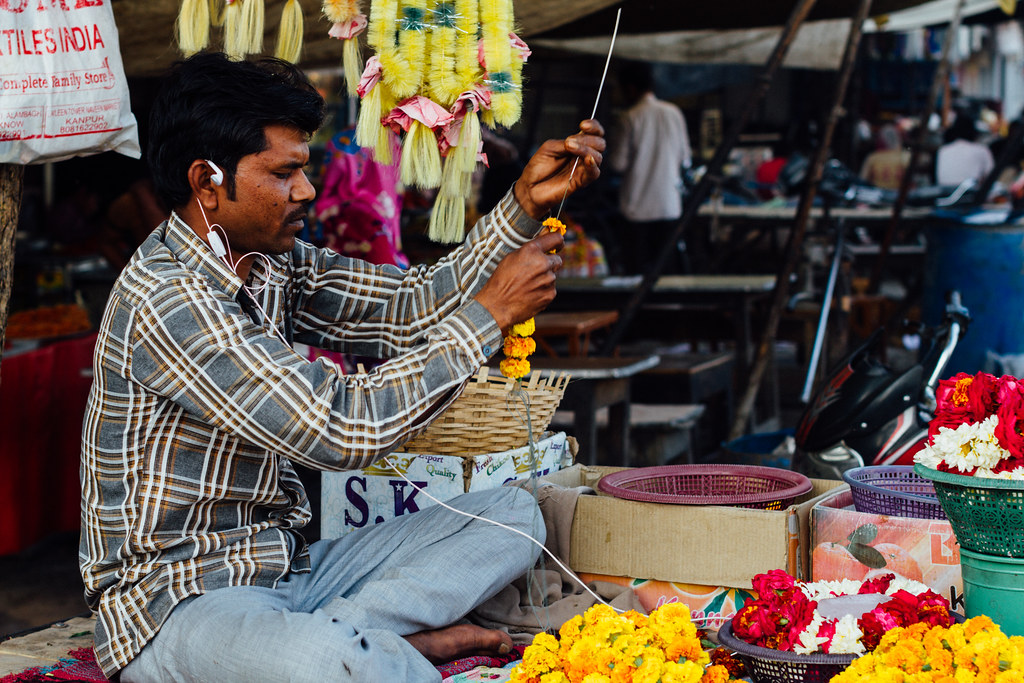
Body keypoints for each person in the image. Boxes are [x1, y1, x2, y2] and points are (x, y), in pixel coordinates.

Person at [79, 52, 606, 683]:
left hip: (293, 571)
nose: (306, 190)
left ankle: (360, 632)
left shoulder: (270, 263)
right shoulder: (168, 298)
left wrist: (521, 204)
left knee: (515, 518)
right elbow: (337, 429)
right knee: (325, 663)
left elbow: (412, 307)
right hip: (179, 604)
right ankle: (357, 643)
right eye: (285, 173)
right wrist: (490, 317)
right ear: (207, 181)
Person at [608, 61, 691, 275]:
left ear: (630, 88)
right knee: (666, 273)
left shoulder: (629, 117)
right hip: (669, 206)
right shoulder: (674, 113)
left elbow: (618, 163)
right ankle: (667, 309)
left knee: (635, 274)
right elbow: (685, 160)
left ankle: (636, 310)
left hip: (637, 209)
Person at [936, 114, 994, 187]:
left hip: (943, 194)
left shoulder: (942, 151)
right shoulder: (981, 150)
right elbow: (991, 176)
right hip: (969, 194)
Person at [859, 123, 910, 191]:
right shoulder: (906, 156)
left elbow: (862, 180)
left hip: (877, 197)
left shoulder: (873, 157)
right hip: (899, 197)